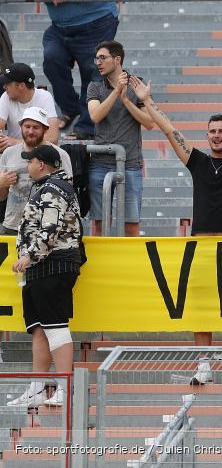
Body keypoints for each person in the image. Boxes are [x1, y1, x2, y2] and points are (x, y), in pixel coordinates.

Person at [131, 75, 222, 385]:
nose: (216, 136)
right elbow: (169, 129)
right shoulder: (196, 160)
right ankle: (203, 363)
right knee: (202, 305)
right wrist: (147, 100)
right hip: (200, 245)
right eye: (212, 131)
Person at [15, 0, 119, 139]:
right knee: (52, 58)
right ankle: (70, 109)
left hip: (96, 22)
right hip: (61, 27)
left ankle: (88, 126)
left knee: (92, 69)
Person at [7, 145, 84, 408]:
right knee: (39, 327)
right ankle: (37, 388)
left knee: (55, 325)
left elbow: (50, 229)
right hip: (42, 267)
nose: (27, 166)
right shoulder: (47, 187)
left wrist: (29, 255)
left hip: (54, 265)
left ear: (41, 164)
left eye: (31, 161)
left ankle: (65, 387)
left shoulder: (53, 189)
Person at [86, 41, 155, 236]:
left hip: (130, 163)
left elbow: (150, 122)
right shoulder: (94, 86)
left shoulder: (136, 85)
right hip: (100, 163)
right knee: (99, 224)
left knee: (131, 225)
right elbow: (95, 116)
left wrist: (126, 100)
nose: (98, 62)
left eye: (102, 57)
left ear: (117, 60)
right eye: (96, 58)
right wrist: (117, 92)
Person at [0, 108, 73, 235]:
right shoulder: (8, 153)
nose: (30, 131)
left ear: (45, 129)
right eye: (27, 126)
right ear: (20, 126)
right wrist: (1, 183)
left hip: (45, 229)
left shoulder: (60, 155)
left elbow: (68, 193)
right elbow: (2, 196)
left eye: (36, 127)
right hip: (12, 226)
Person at [0, 63, 61, 147]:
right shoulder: (6, 96)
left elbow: (53, 138)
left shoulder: (45, 97)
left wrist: (15, 143)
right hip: (14, 152)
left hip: (39, 151)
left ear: (21, 86)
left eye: (8, 84)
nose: (4, 87)